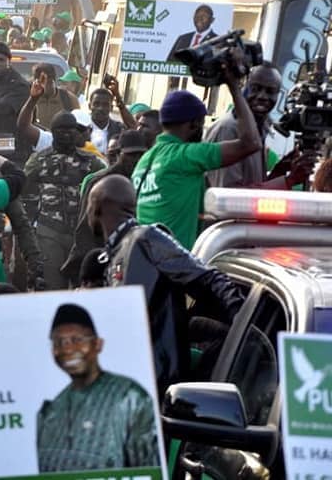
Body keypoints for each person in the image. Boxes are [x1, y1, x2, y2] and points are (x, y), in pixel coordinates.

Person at [88, 175, 246, 391]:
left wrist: (244, 322)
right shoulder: (112, 253)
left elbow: (206, 277)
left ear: (97, 206)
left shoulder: (146, 238)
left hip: (159, 383)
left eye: (88, 204)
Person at [133, 62, 260, 250]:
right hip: (172, 269)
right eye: (201, 124)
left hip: (144, 260)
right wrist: (234, 88)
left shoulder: (145, 161)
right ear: (194, 124)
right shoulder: (186, 156)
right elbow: (251, 143)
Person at [36, 303, 160, 472]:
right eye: (59, 342)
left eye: (77, 340)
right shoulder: (50, 411)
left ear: (98, 344)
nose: (68, 348)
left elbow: (148, 471)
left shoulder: (130, 398)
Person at [22, 111, 105, 290]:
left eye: (71, 129)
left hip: (81, 233)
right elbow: (23, 189)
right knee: (52, 287)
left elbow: (109, 180)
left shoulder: (91, 162)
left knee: (82, 286)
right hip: (49, 231)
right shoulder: (39, 160)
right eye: (61, 130)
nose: (67, 134)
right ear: (53, 131)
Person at [205, 64, 315, 189]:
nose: (262, 97)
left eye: (270, 92)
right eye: (255, 89)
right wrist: (289, 180)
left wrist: (280, 170)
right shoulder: (229, 129)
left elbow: (256, 189)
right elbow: (229, 196)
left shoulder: (259, 127)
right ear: (243, 87)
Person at [61, 129, 149, 286]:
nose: (135, 160)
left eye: (139, 155)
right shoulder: (101, 183)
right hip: (98, 255)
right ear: (118, 153)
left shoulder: (145, 179)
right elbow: (85, 229)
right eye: (130, 155)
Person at [30, 64, 79, 128]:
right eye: (39, 82)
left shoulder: (69, 99)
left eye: (46, 81)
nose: (43, 86)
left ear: (53, 80)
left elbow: (78, 124)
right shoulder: (28, 99)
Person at [87, 87, 127, 156]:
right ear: (90, 106)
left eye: (105, 105)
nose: (100, 108)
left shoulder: (120, 129)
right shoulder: (80, 127)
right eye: (96, 104)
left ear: (111, 108)